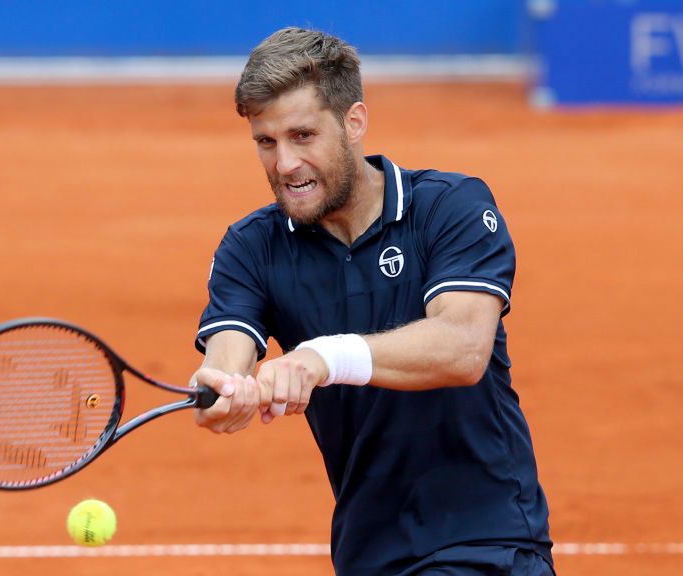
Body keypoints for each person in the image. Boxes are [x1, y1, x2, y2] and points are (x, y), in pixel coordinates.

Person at [190, 27, 553, 576]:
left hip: (485, 540)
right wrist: (223, 389)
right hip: (369, 551)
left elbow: (462, 347)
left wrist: (319, 358)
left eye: (303, 135)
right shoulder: (252, 247)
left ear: (354, 122)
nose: (285, 164)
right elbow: (226, 356)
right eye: (266, 142)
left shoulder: (448, 209)